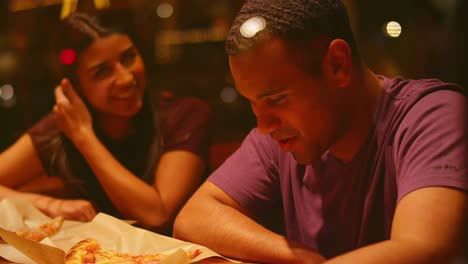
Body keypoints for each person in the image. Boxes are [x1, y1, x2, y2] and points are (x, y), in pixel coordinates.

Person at [173, 0, 468, 263]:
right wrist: (302, 258)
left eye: (275, 99)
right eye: (252, 102)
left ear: (338, 64)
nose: (263, 125)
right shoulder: (281, 136)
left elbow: (425, 248)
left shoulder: (433, 115)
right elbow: (194, 217)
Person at [0, 12, 212, 234]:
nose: (126, 78)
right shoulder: (62, 128)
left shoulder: (186, 115)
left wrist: (84, 137)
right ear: (75, 86)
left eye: (128, 57)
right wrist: (51, 205)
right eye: (102, 72)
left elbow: (157, 215)